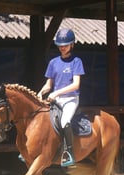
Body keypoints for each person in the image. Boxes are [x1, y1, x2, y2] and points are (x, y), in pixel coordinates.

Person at [37, 28, 85, 167]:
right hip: (55, 99)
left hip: (71, 99)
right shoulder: (53, 62)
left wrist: (56, 93)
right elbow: (48, 85)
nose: (62, 48)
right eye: (60, 45)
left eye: (65, 45)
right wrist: (40, 93)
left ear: (72, 45)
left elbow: (76, 85)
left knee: (65, 122)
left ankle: (68, 152)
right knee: (41, 119)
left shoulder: (76, 61)